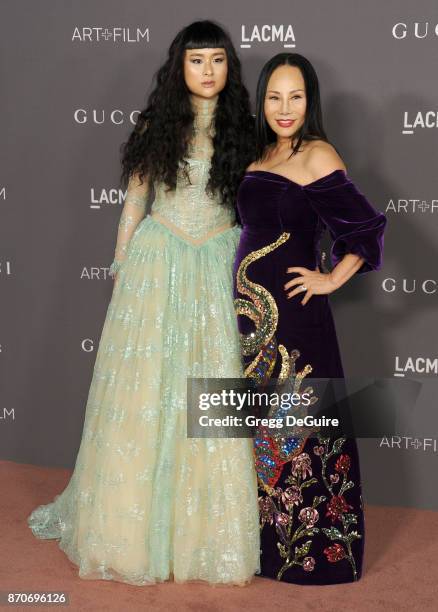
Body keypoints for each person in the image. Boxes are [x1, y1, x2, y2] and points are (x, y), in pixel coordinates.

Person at [27, 20, 260, 587]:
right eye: (197, 59)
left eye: (218, 60)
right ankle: (133, 534)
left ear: (230, 68)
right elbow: (134, 200)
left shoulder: (244, 132)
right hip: (159, 263)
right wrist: (122, 265)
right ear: (179, 66)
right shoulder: (159, 124)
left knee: (214, 391)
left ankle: (204, 539)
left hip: (219, 263)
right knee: (148, 391)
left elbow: (255, 209)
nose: (208, 70)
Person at [233, 52, 387, 584]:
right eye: (274, 96)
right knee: (255, 431)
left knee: (303, 434)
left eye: (295, 96)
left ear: (310, 100)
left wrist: (330, 278)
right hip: (249, 323)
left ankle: (311, 558)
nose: (284, 107)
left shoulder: (318, 155)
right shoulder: (257, 157)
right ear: (262, 101)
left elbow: (366, 231)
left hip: (298, 321)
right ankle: (257, 549)